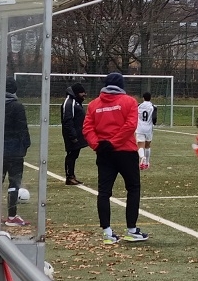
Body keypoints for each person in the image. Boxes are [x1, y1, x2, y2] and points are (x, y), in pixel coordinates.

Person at [82, 72, 148, 244]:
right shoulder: (129, 101)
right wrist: (113, 143)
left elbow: (87, 129)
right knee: (133, 188)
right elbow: (130, 126)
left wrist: (98, 145)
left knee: (104, 192)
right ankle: (132, 230)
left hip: (104, 153)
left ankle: (107, 233)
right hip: (126, 151)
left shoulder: (94, 104)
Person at [0, 78, 32, 227]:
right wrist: (25, 145)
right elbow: (23, 128)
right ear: (15, 90)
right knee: (14, 182)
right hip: (15, 151)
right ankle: (11, 216)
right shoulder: (17, 106)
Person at [60, 83, 87, 185]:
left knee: (74, 155)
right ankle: (69, 177)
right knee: (71, 155)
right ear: (76, 93)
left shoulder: (75, 102)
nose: (84, 95)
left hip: (77, 134)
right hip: (72, 135)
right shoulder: (69, 103)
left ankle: (72, 175)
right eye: (82, 93)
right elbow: (68, 121)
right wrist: (73, 136)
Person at [136, 92, 158, 170]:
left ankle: (142, 157)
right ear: (150, 98)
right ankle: (147, 163)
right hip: (148, 129)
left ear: (143, 98)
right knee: (147, 145)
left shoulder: (138, 106)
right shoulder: (153, 107)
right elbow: (154, 118)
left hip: (140, 128)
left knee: (140, 145)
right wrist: (154, 123)